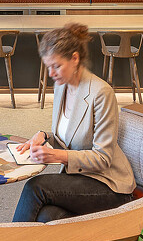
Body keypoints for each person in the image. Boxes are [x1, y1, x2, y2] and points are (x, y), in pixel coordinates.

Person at [12, 23, 135, 223]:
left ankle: (7, 240)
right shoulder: (61, 86)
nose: (51, 74)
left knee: (35, 187)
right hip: (79, 178)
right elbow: (71, 137)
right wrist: (44, 136)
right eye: (48, 67)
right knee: (46, 216)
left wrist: (56, 155)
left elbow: (103, 158)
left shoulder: (100, 93)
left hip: (108, 184)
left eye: (56, 66)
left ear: (75, 59)